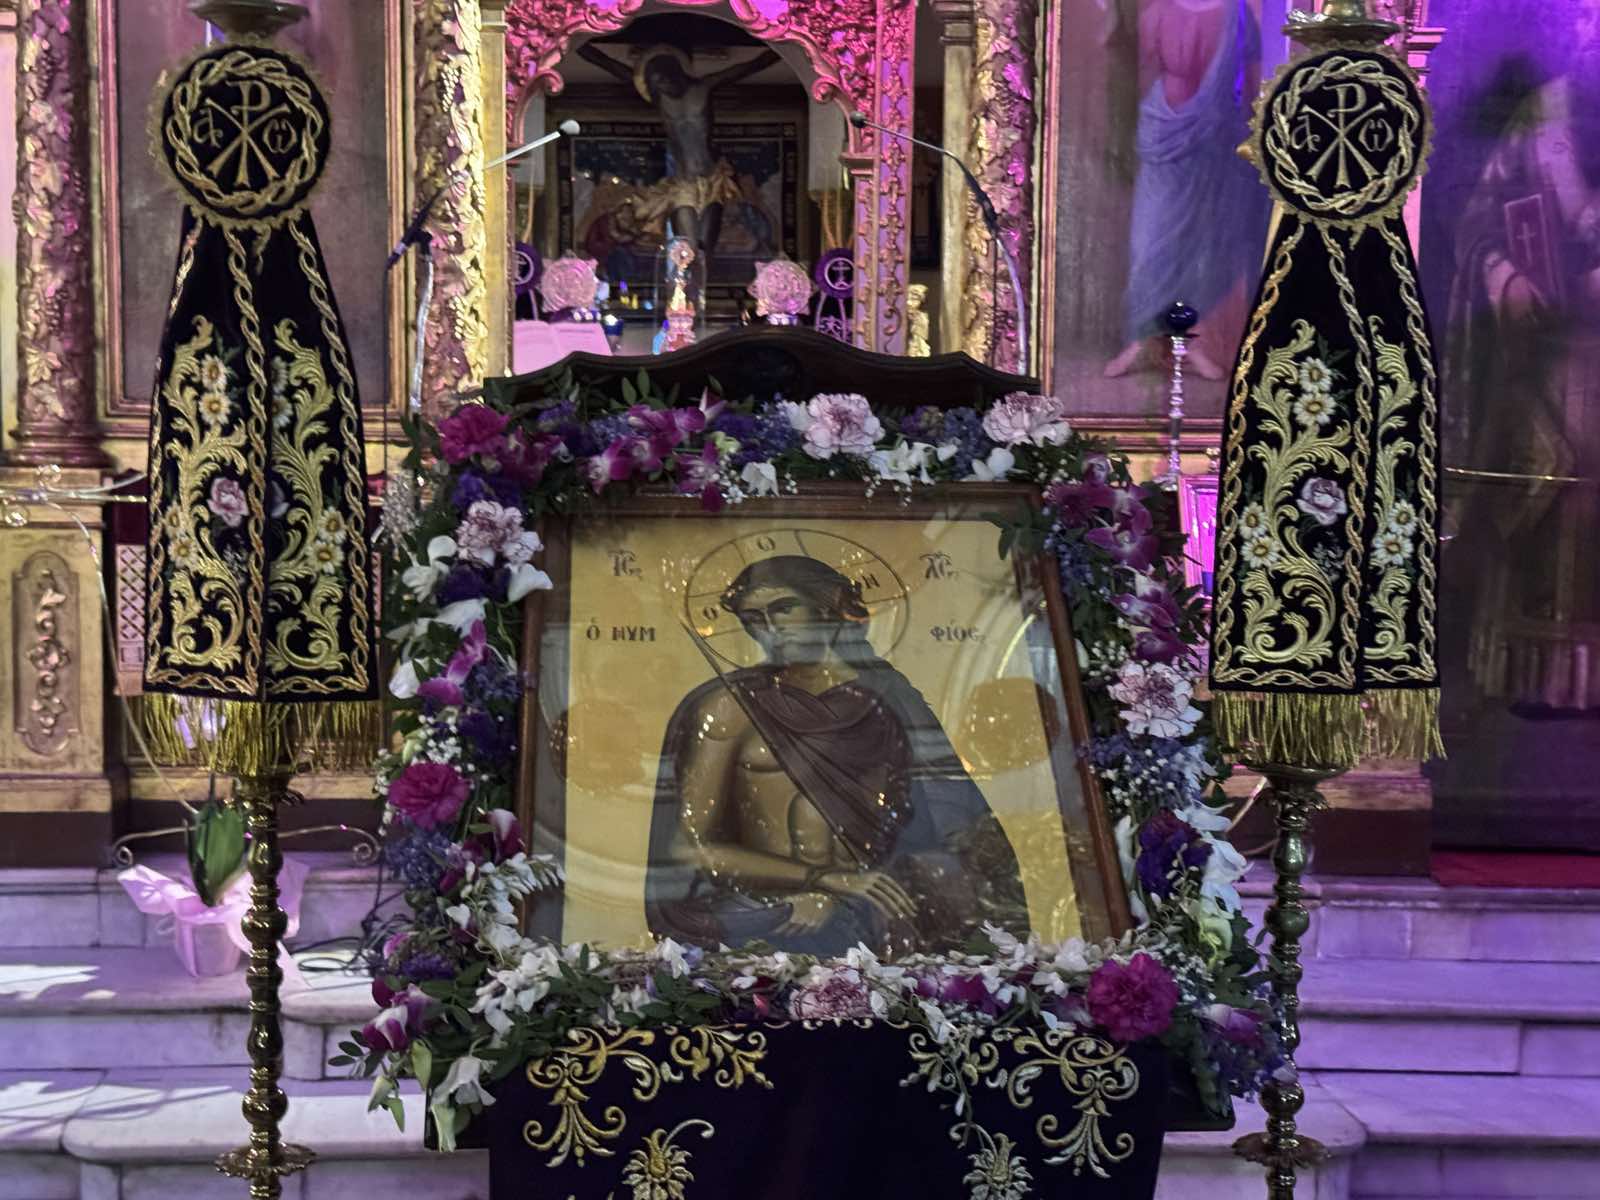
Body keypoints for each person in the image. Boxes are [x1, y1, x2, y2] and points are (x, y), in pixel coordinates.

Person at [644, 556, 1028, 957]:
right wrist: (821, 880)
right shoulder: (729, 707)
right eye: (753, 618)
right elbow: (690, 849)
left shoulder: (890, 698)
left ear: (826, 606)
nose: (770, 627)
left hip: (876, 904)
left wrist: (867, 885)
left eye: (783, 608)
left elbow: (951, 819)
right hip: (770, 909)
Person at [1441, 6, 1600, 715]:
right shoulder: (1540, 116)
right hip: (1541, 361)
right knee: (1539, 494)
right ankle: (1532, 676)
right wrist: (1505, 278)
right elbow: (1480, 219)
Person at [1102, 0, 1267, 381]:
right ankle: (1142, 336)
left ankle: (1193, 341)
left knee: (1204, 243)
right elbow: (1136, 76)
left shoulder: (1237, 14)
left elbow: (1253, 87)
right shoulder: (1157, 12)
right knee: (1152, 240)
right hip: (1164, 133)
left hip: (1216, 138)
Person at [577, 41, 780, 259]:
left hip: (712, 180)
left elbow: (742, 69)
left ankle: (702, 280)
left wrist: (780, 49)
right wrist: (577, 45)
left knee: (705, 249)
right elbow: (613, 67)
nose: (662, 85)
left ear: (675, 71)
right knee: (687, 250)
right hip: (683, 184)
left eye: (664, 78)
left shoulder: (703, 88)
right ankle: (684, 282)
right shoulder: (661, 99)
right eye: (656, 83)